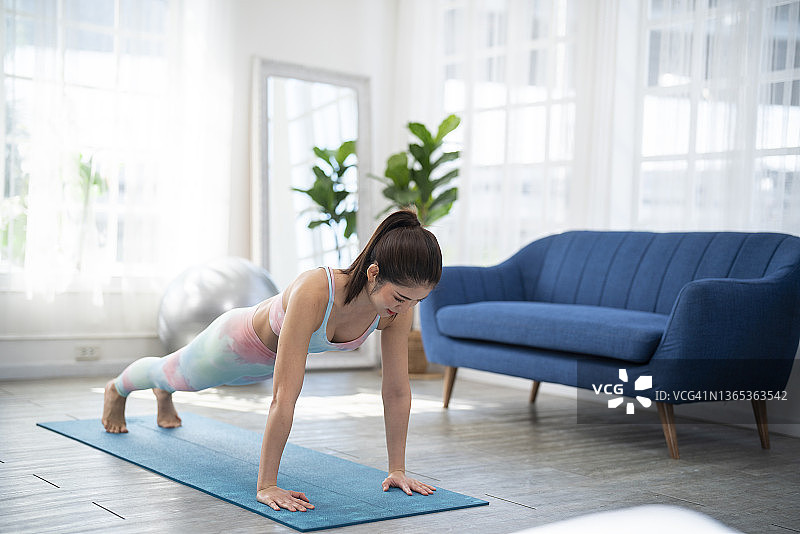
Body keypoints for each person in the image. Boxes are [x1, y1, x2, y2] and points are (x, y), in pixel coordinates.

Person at [102, 209, 441, 512]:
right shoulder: (316, 290)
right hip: (233, 346)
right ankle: (117, 390)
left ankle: (164, 393)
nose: (406, 309)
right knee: (172, 374)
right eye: (400, 297)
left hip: (262, 364)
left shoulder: (396, 312)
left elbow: (396, 391)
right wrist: (266, 485)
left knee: (175, 381)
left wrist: (397, 469)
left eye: (417, 301)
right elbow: (284, 395)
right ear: (373, 273)